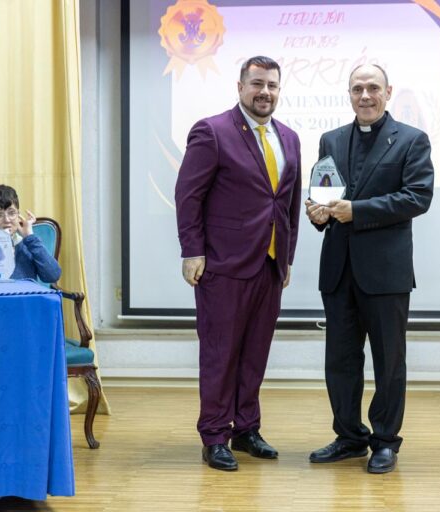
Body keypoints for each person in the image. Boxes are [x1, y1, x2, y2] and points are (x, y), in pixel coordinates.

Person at [174, 56, 302, 471]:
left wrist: (287, 258)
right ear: (240, 86)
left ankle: (246, 428)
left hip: (269, 265)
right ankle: (215, 434)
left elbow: (288, 204)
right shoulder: (212, 131)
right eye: (257, 83)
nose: (265, 92)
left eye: (272, 85)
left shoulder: (290, 138)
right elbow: (188, 196)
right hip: (223, 264)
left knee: (255, 353)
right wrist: (192, 251)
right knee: (220, 353)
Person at [305, 64, 434, 474]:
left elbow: (417, 197)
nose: (365, 95)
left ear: (388, 92)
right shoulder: (331, 139)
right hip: (338, 270)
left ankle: (385, 441)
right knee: (340, 361)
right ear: (349, 94)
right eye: (357, 88)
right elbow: (324, 195)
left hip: (385, 273)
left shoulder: (412, 140)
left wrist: (356, 211)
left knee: (388, 363)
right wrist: (317, 214)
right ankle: (349, 437)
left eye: (373, 88)